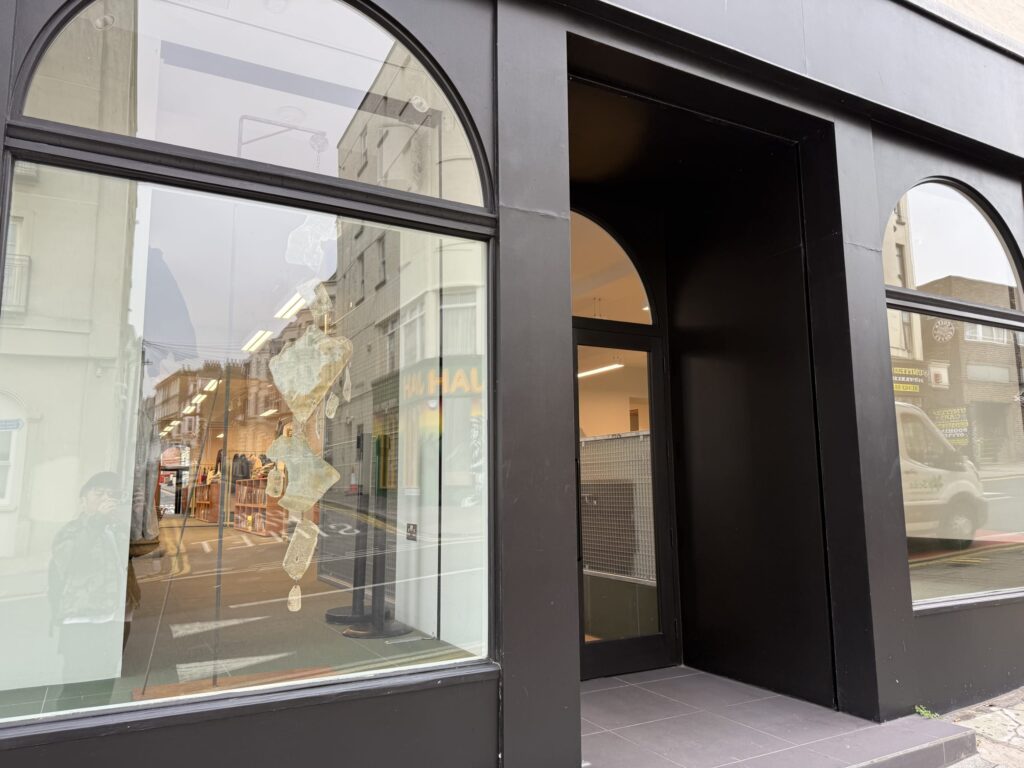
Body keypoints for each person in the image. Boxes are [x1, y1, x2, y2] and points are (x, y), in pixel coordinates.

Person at [48, 473, 139, 710]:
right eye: (99, 494)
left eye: (111, 495)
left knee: (104, 684)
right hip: (82, 621)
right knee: (76, 687)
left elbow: (129, 564)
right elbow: (70, 562)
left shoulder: (116, 529)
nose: (106, 499)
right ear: (83, 499)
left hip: (115, 619)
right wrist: (97, 521)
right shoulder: (71, 530)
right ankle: (67, 735)